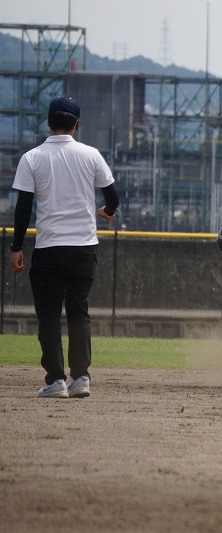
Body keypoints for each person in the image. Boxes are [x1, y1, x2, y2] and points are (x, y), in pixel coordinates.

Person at [10, 95, 119, 398]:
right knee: (78, 312)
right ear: (76, 124)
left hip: (49, 248)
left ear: (48, 122)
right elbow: (112, 195)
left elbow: (23, 208)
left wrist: (16, 248)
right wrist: (108, 211)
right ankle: (81, 377)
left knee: (48, 315)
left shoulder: (32, 157)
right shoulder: (91, 155)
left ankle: (56, 380)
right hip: (84, 247)